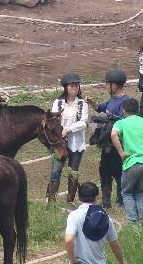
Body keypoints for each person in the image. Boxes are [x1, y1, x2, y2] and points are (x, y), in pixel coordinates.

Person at [86, 69, 130, 209]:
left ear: (115, 86)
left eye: (107, 84)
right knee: (104, 172)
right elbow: (101, 108)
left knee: (119, 173)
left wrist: (108, 119)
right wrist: (92, 103)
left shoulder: (126, 102)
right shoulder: (112, 100)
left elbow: (124, 122)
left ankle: (121, 201)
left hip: (118, 145)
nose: (105, 86)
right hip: (106, 145)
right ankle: (106, 202)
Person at [46, 72, 89, 206]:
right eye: (72, 86)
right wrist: (61, 131)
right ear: (65, 87)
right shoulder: (57, 103)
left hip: (76, 142)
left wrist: (68, 129)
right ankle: (51, 200)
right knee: (56, 171)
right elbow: (53, 121)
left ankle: (70, 200)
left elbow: (83, 122)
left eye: (76, 86)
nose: (75, 88)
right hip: (60, 143)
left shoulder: (82, 103)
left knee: (73, 171)